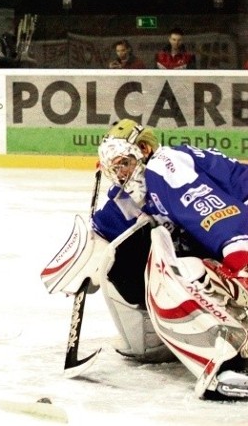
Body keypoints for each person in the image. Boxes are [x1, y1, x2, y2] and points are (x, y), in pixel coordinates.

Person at [53, 118, 248, 400]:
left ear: (143, 150)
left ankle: (229, 363)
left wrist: (241, 262)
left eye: (124, 163)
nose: (120, 174)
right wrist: (84, 262)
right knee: (151, 261)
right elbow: (106, 229)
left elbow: (219, 218)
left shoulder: (165, 166)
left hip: (241, 228)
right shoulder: (137, 188)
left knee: (187, 271)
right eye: (114, 168)